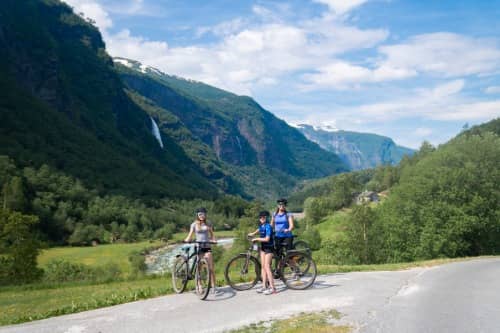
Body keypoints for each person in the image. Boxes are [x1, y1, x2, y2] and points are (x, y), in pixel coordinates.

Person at [184, 207, 219, 295]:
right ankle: (198, 286)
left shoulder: (208, 223)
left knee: (211, 267)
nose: (202, 216)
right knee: (199, 268)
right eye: (200, 214)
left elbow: (212, 234)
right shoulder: (194, 224)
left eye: (203, 214)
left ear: (205, 214)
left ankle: (214, 286)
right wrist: (187, 239)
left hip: (207, 246)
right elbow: (190, 235)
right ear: (197, 215)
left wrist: (214, 240)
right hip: (198, 246)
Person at [248, 210, 277, 295]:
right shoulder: (262, 226)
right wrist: (253, 233)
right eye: (260, 217)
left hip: (269, 248)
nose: (262, 218)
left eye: (263, 217)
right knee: (263, 267)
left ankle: (273, 288)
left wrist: (257, 239)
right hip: (263, 248)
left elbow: (267, 239)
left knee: (267, 267)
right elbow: (259, 229)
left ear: (266, 218)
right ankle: (264, 286)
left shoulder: (268, 226)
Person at [271, 198, 294, 275]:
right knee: (278, 255)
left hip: (287, 236)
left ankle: (295, 269)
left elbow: (291, 225)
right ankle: (278, 270)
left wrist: (288, 229)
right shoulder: (274, 214)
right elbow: (272, 225)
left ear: (285, 205)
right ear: (278, 205)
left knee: (289, 254)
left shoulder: (288, 214)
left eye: (283, 204)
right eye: (280, 204)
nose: (281, 206)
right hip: (277, 236)